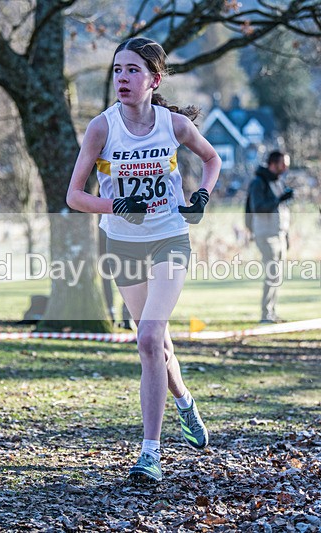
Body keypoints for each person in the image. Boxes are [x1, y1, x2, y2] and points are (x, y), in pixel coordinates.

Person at [66, 37, 221, 483]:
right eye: (117, 70)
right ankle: (186, 401)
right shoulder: (101, 128)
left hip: (170, 238)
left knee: (150, 337)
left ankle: (149, 455)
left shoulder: (172, 125)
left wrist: (202, 197)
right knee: (158, 345)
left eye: (132, 70)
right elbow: (75, 196)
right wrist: (116, 207)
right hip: (124, 245)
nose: (122, 78)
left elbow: (211, 160)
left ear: (154, 80)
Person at [246, 151, 294, 323]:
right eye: (284, 163)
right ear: (274, 163)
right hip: (266, 234)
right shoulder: (259, 182)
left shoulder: (277, 181)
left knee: (277, 276)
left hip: (279, 234)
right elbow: (258, 207)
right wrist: (280, 199)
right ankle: (265, 314)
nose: (286, 167)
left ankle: (272, 312)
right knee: (272, 273)